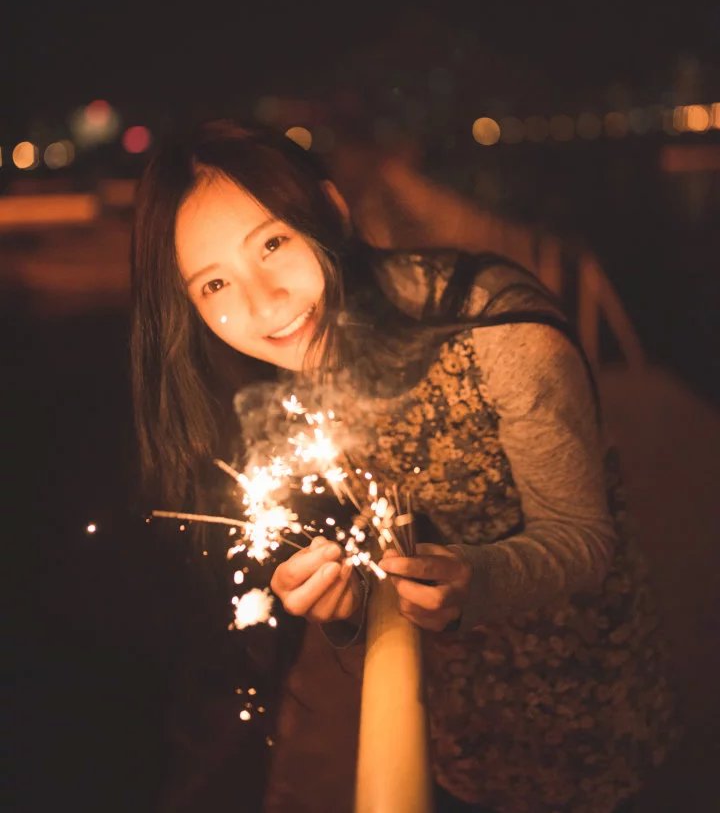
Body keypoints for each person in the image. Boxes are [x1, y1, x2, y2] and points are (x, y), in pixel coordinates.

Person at [131, 120, 677, 813]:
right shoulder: (289, 374)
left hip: (588, 707)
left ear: (330, 211)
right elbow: (386, 540)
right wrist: (346, 608)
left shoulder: (497, 330)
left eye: (272, 243)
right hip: (453, 726)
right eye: (214, 283)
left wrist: (476, 579)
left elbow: (584, 538)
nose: (264, 302)